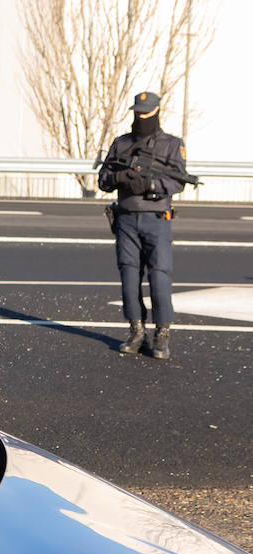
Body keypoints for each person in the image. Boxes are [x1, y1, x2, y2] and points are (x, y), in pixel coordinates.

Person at [97, 91, 188, 360]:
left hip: (156, 218)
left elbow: (178, 181)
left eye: (147, 112)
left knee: (160, 275)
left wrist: (149, 185)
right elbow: (103, 179)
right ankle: (136, 331)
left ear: (157, 110)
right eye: (138, 111)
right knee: (128, 275)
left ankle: (162, 334)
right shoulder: (121, 143)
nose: (142, 116)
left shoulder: (172, 144)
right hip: (125, 218)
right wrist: (120, 177)